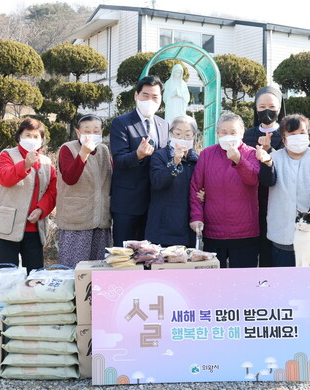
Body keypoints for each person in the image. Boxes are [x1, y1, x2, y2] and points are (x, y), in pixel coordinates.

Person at [256, 114, 310, 267]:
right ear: (283, 139)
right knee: (285, 283)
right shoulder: (273, 157)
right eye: (292, 134)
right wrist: (267, 163)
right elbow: (267, 181)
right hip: (282, 233)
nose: (298, 137)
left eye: (302, 133)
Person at [0, 118, 57, 273]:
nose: (32, 139)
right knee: (7, 274)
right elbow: (5, 178)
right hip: (7, 226)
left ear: (42, 140)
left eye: (36, 136)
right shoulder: (7, 155)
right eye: (28, 135)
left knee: (34, 274)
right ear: (19, 137)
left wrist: (41, 209)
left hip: (35, 229)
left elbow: (52, 191)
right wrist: (25, 164)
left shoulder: (46, 162)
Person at [190, 112, 260, 268]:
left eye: (233, 132)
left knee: (244, 283)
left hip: (245, 232)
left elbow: (253, 180)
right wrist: (196, 217)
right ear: (217, 134)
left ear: (242, 134)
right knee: (213, 284)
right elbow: (196, 188)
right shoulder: (206, 154)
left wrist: (238, 160)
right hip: (213, 232)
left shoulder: (251, 154)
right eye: (223, 132)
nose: (228, 136)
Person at [110, 75, 170, 246]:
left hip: (155, 203)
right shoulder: (121, 123)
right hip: (127, 203)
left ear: (160, 100)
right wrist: (138, 155)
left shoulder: (163, 124)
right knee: (125, 256)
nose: (150, 100)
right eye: (145, 95)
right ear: (136, 96)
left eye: (155, 97)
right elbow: (119, 160)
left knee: (149, 256)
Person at [56, 114, 112, 267]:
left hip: (101, 221)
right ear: (78, 132)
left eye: (96, 131)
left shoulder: (103, 150)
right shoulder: (68, 148)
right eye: (87, 131)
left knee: (99, 270)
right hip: (76, 220)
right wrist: (83, 153)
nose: (92, 135)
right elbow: (69, 178)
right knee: (75, 270)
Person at [243, 85, 287, 267]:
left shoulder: (286, 134)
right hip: (252, 197)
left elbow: (287, 164)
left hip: (277, 195)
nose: (266, 111)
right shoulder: (249, 134)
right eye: (261, 107)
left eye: (271, 106)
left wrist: (270, 150)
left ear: (280, 108)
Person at [145, 115, 199, 247]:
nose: (183, 138)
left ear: (194, 136)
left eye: (187, 135)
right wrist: (174, 162)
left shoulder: (197, 160)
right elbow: (157, 182)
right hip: (163, 223)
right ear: (170, 134)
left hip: (187, 223)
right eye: (178, 134)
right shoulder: (160, 156)